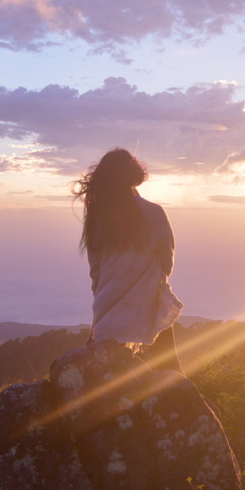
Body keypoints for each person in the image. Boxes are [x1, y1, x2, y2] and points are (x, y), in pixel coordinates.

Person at [73, 148, 185, 375]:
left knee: (96, 375)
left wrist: (106, 301)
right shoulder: (155, 213)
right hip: (150, 302)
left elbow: (96, 274)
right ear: (134, 177)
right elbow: (167, 262)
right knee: (170, 370)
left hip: (108, 308)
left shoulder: (98, 218)